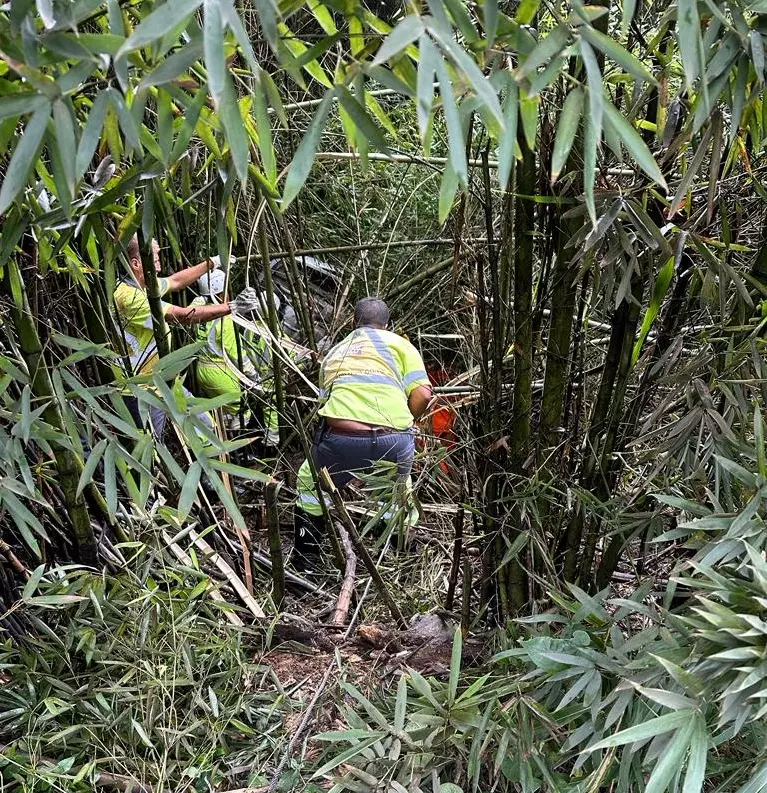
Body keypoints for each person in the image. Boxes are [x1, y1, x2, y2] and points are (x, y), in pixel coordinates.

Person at [293, 297, 433, 570]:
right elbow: (423, 394)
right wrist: (406, 422)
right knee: (398, 491)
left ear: (351, 323)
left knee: (309, 482)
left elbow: (327, 403)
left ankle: (306, 558)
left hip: (341, 439)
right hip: (394, 440)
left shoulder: (336, 352)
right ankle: (401, 560)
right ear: (388, 325)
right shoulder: (402, 345)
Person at [113, 235, 258, 438]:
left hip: (162, 380)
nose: (159, 266)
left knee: (205, 424)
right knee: (152, 445)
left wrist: (211, 263)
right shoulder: (128, 296)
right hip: (140, 389)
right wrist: (232, 307)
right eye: (155, 259)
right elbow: (181, 316)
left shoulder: (142, 287)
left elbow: (175, 281)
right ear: (136, 263)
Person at [194, 268, 281, 446]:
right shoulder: (225, 321)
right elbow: (235, 353)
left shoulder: (197, 310)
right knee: (242, 409)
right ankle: (235, 446)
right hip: (220, 372)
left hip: (201, 368)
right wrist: (251, 376)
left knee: (219, 408)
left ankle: (220, 438)